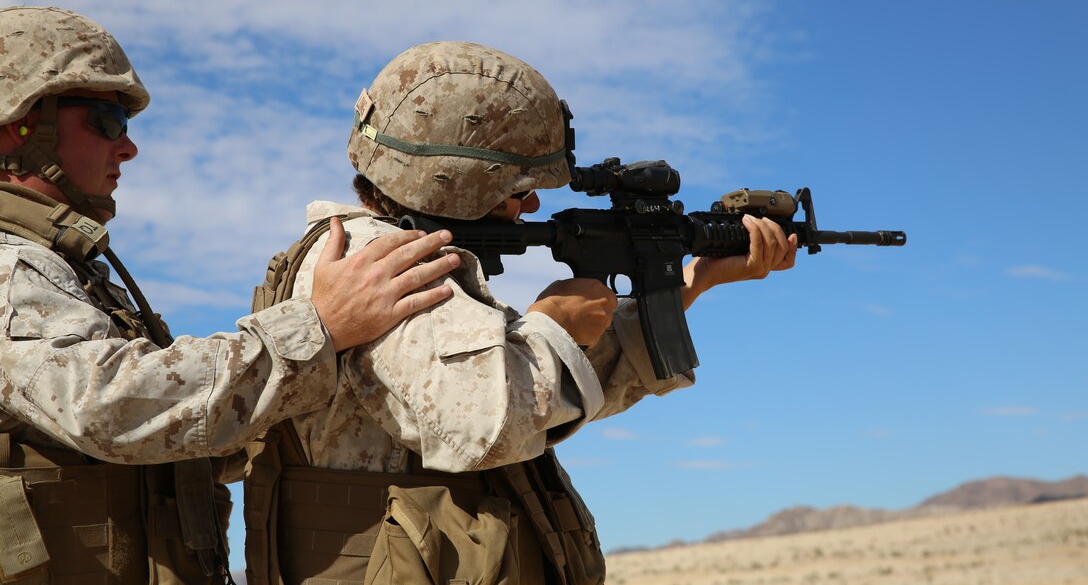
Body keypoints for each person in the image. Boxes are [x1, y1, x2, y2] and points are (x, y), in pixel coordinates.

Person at [243, 41, 797, 585]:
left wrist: (694, 282)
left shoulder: (408, 258)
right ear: (460, 180)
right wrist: (553, 325)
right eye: (519, 186)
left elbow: (540, 405)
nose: (532, 205)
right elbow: (485, 427)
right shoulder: (374, 263)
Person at [0, 6, 461, 584]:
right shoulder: (10, 266)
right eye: (108, 120)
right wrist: (319, 327)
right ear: (19, 124)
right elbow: (111, 406)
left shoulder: (65, 268)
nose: (128, 148)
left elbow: (179, 452)